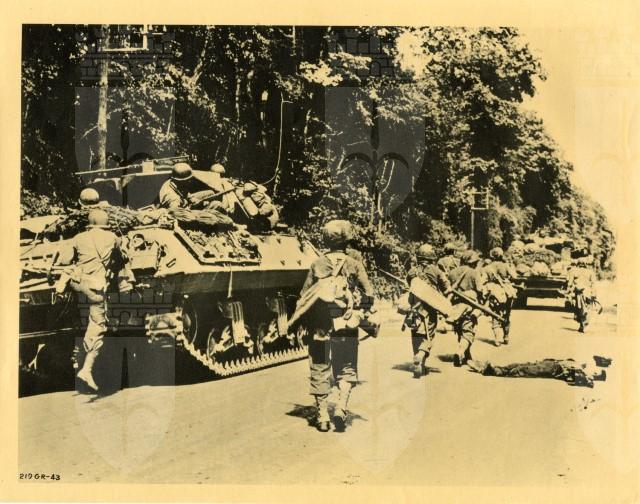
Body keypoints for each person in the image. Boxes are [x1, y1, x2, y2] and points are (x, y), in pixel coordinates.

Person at [300, 220, 374, 432]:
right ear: (346, 241)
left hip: (320, 326)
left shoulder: (317, 264)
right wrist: (360, 312)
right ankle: (341, 408)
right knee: (347, 366)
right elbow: (369, 295)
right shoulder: (355, 264)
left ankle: (323, 416)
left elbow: (304, 297)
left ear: (326, 240)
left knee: (319, 366)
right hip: (346, 324)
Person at [54, 209, 133, 392]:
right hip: (95, 289)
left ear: (89, 224)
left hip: (77, 283)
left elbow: (65, 260)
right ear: (105, 223)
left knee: (78, 299)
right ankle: (86, 370)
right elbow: (123, 257)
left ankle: (63, 299)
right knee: (98, 325)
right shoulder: (113, 237)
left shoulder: (78, 238)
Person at [403, 244, 451, 378]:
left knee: (415, 334)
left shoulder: (412, 271)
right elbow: (447, 289)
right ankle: (421, 354)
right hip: (430, 309)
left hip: (414, 308)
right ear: (431, 257)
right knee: (429, 335)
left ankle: (419, 363)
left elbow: (408, 286)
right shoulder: (436, 271)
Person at [468, 356, 609, 388]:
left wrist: (589, 379)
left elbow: (580, 380)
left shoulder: (582, 374)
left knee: (521, 370)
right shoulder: (581, 366)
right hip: (549, 363)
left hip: (551, 369)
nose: (594, 372)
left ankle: (491, 371)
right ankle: (494, 368)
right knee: (518, 365)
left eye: (596, 374)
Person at [448, 250, 485, 367]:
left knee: (459, 330)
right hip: (469, 306)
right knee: (468, 332)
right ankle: (460, 352)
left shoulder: (452, 272)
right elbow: (480, 290)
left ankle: (466, 355)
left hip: (455, 307)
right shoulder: (474, 273)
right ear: (472, 262)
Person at [483, 247, 518, 346]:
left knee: (495, 314)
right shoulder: (505, 265)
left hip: (493, 291)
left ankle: (497, 339)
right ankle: (506, 336)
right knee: (506, 314)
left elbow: (483, 280)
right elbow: (515, 276)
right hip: (506, 291)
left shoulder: (487, 267)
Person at [566, 257, 597, 332]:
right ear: (586, 264)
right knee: (588, 308)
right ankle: (583, 324)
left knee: (579, 309)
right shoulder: (590, 272)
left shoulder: (573, 271)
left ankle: (582, 324)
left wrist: (568, 292)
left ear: (578, 264)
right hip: (588, 292)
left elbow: (569, 283)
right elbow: (593, 283)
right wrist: (594, 293)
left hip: (578, 293)